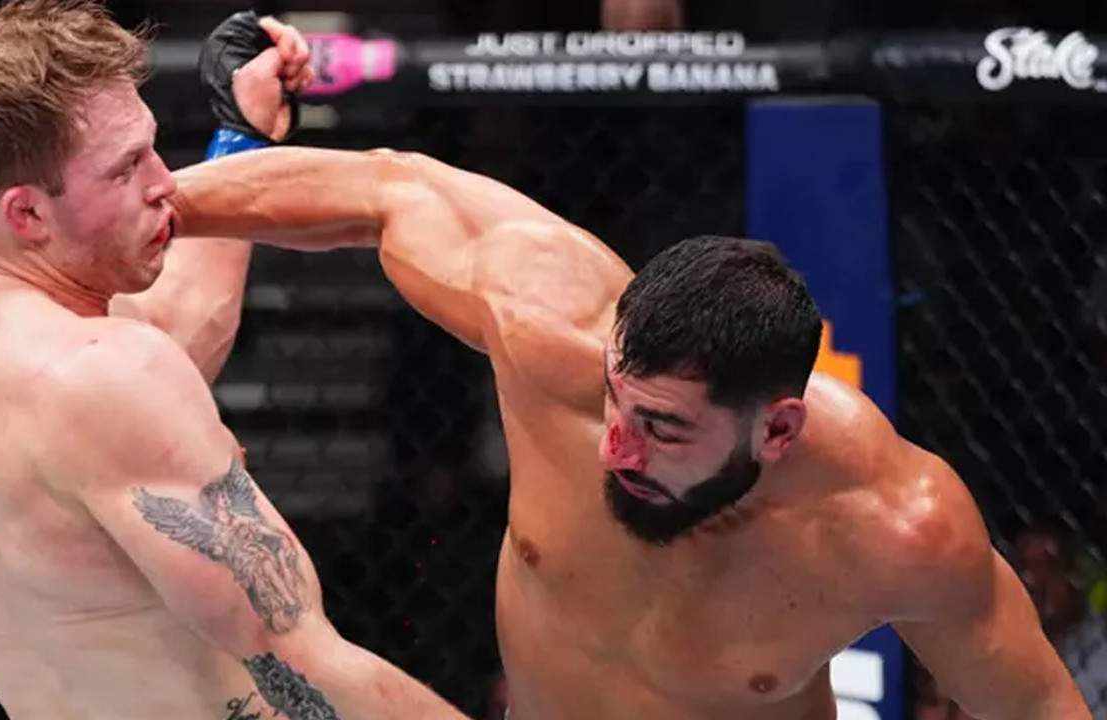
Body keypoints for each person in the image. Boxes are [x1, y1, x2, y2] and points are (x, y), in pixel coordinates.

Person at [165, 11, 1093, 720]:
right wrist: (151, 204)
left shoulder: (895, 525)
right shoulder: (549, 331)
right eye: (619, 402)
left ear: (777, 429)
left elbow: (1037, 705)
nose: (616, 446)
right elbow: (383, 189)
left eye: (664, 427)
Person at [0, 3, 472, 720]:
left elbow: (175, 325)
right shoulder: (103, 376)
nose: (165, 181)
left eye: (152, 148)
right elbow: (306, 663)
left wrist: (241, 135)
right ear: (27, 214)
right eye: (126, 167)